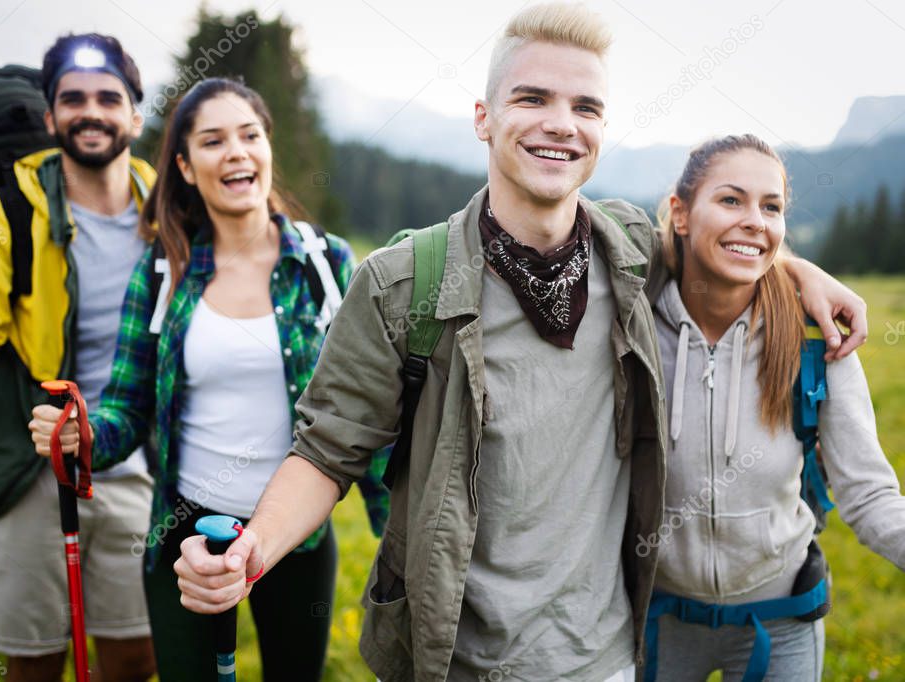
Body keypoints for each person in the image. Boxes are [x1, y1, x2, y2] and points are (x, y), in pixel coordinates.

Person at [172, 5, 867, 681]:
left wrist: (799, 270)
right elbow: (326, 452)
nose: (561, 125)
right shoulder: (399, 283)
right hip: (452, 658)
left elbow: (722, 240)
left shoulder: (626, 249)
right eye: (532, 98)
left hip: (606, 657)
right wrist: (250, 552)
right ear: (483, 117)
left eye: (585, 108)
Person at [29, 77, 389, 682]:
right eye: (213, 141)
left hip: (296, 538)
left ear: (267, 148)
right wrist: (81, 435)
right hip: (183, 532)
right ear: (186, 167)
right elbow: (125, 407)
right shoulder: (163, 271)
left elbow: (369, 411)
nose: (236, 152)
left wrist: (398, 519)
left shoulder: (325, 265)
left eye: (249, 135)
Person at [0, 34, 157, 682]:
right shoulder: (4, 213)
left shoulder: (170, 209)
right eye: (72, 99)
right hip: (33, 464)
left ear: (135, 114)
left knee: (136, 655)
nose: (90, 111)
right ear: (50, 119)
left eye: (109, 97)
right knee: (36, 659)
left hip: (141, 464)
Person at [646, 134, 905, 681]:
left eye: (772, 207)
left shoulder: (817, 341)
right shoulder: (631, 325)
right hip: (656, 621)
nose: (755, 221)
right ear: (681, 213)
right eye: (731, 200)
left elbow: (869, 495)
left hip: (781, 621)